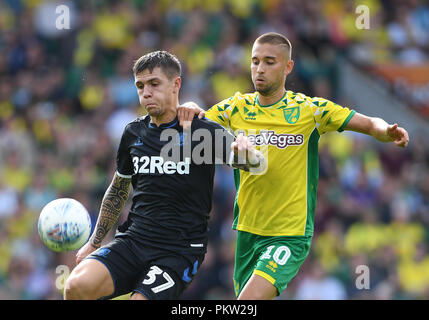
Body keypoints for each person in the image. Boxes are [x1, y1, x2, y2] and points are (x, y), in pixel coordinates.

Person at [177, 32, 409, 300]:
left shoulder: (310, 110)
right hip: (248, 231)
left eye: (269, 61)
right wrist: (191, 107)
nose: (259, 68)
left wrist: (386, 131)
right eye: (254, 61)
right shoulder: (236, 107)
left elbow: (368, 123)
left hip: (289, 234)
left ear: (288, 67)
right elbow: (195, 123)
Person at [63, 51, 265, 300]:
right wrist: (94, 242)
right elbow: (118, 188)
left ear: (176, 84)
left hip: (178, 251)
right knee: (75, 287)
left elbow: (255, 165)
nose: (146, 92)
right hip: (133, 241)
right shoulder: (133, 132)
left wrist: (247, 153)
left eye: (154, 83)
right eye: (140, 85)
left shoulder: (199, 130)